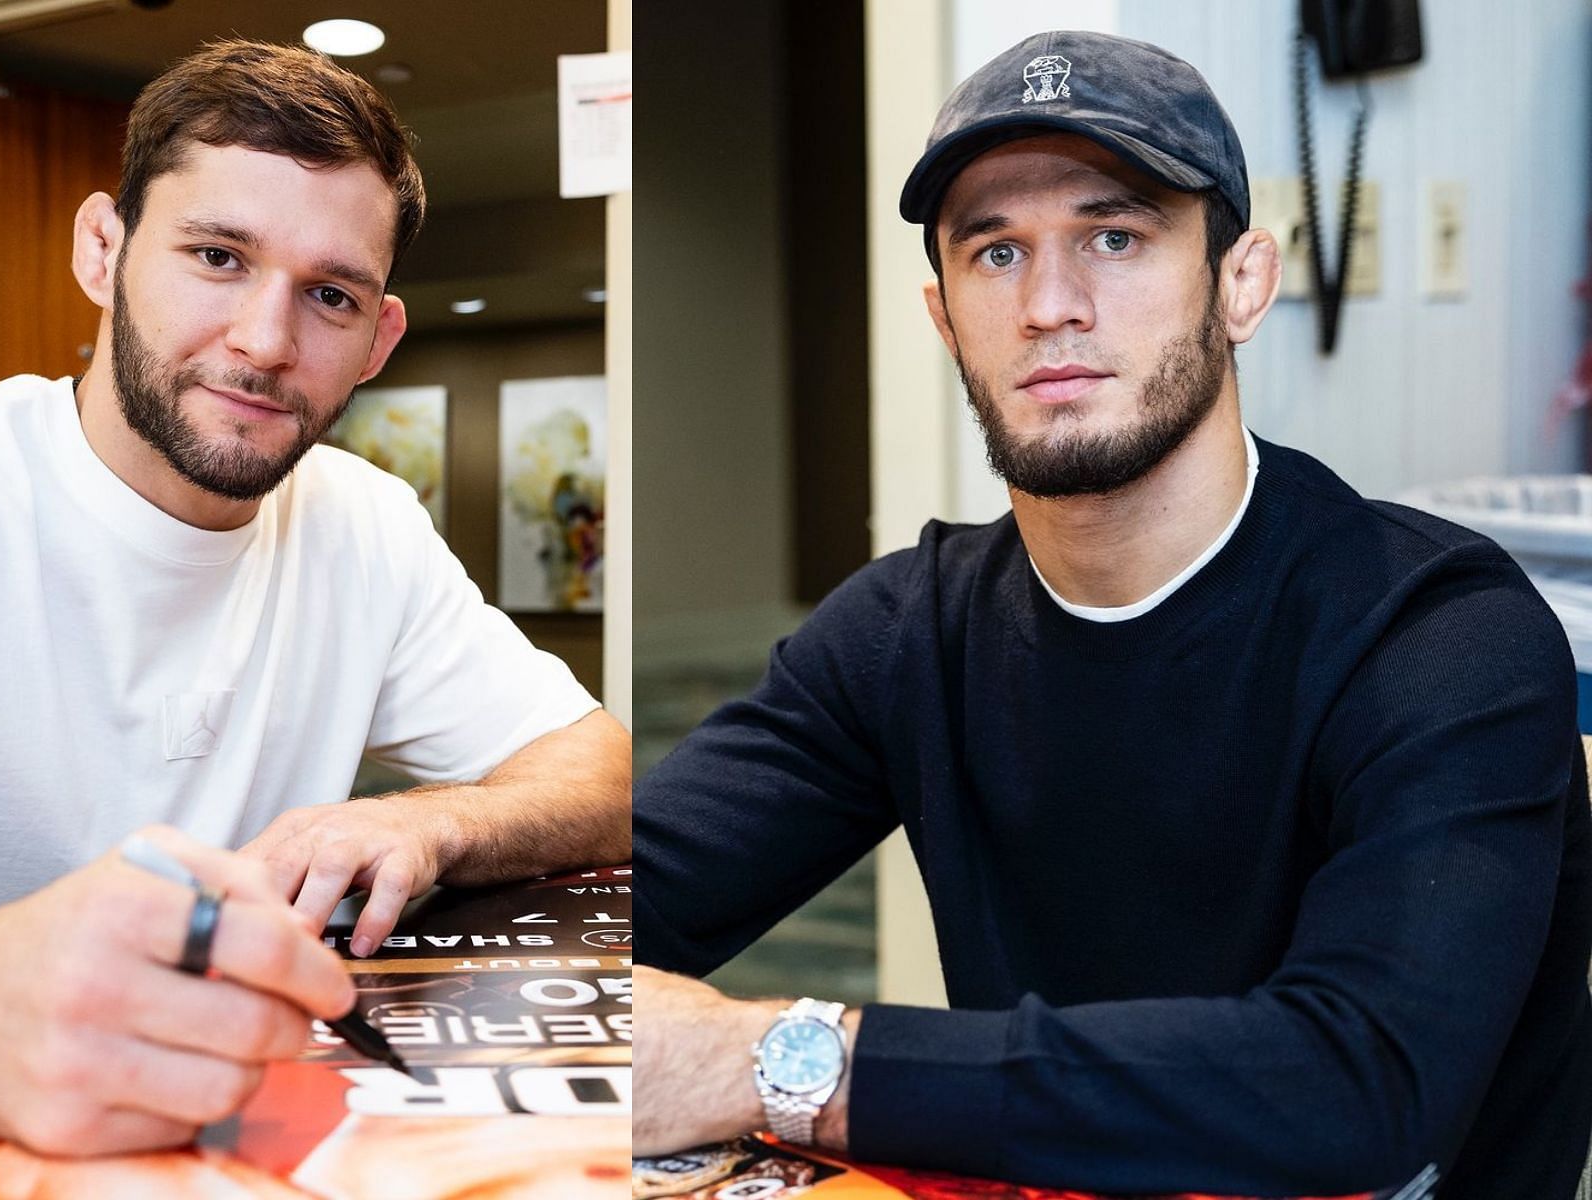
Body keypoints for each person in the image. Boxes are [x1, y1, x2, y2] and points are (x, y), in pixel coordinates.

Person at [632, 29, 1591, 1199]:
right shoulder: (908, 631)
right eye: (995, 253)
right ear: (945, 321)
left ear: (1241, 281)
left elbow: (1358, 1083)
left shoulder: (1443, 635)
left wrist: (773, 1059)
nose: (1050, 304)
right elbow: (628, 898)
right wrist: (454, 834)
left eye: (1115, 236)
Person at [0, 40, 629, 1157]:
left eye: (329, 295)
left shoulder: (364, 525)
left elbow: (598, 771)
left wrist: (426, 821)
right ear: (102, 250)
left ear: (377, 339)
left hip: (234, 1139)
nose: (266, 342)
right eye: (217, 256)